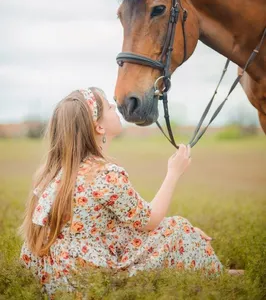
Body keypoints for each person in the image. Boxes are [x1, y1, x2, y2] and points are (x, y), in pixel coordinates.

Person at [19, 87, 225, 298]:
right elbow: (150, 220)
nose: (115, 108)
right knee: (177, 228)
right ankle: (222, 278)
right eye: (108, 106)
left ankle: (207, 261)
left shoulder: (52, 173)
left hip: (55, 277)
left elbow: (108, 229)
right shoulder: (105, 174)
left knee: (179, 230)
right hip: (89, 279)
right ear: (98, 126)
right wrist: (173, 173)